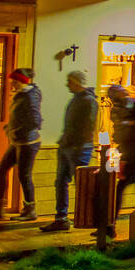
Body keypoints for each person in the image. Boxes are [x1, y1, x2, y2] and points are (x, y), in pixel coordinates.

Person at [41, 71, 98, 232]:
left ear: (78, 83)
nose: (67, 85)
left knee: (81, 186)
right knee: (61, 182)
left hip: (78, 148)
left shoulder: (88, 101)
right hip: (68, 146)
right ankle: (61, 218)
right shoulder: (77, 99)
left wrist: (77, 145)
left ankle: (91, 218)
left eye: (70, 82)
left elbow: (88, 126)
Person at [0, 68, 42, 222]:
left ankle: (30, 210)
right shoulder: (21, 95)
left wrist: (19, 130)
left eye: (14, 81)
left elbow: (36, 120)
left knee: (24, 176)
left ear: (21, 81)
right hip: (18, 141)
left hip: (28, 142)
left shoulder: (30, 96)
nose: (12, 83)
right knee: (0, 171)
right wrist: (10, 128)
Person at [106, 84, 135, 228]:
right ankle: (110, 223)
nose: (125, 92)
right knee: (125, 187)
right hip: (126, 152)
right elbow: (123, 128)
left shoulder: (130, 105)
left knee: (120, 188)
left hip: (130, 153)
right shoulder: (122, 107)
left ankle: (110, 224)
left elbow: (127, 129)